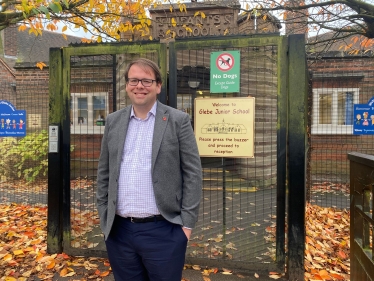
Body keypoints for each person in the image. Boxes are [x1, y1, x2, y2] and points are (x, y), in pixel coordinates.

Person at [96, 58, 202, 281]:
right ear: (127, 85)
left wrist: (187, 226)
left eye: (146, 80)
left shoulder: (178, 120)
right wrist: (105, 217)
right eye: (134, 80)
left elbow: (193, 173)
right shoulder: (114, 121)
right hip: (119, 231)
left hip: (165, 230)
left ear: (158, 86)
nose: (139, 86)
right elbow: (104, 173)